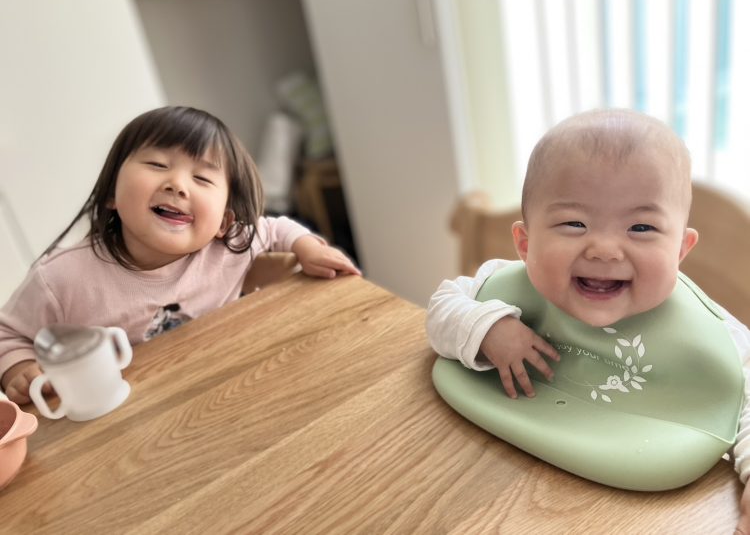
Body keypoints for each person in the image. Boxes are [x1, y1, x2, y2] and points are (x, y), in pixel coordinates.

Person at [426, 109, 750, 531]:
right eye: (574, 223)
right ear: (526, 244)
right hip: (481, 475)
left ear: (680, 251)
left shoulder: (716, 338)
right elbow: (442, 305)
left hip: (641, 509)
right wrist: (486, 328)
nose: (604, 249)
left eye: (641, 227)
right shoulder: (503, 285)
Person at [0, 105, 360, 404]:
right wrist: (19, 369)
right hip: (123, 419)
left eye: (202, 179)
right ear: (111, 194)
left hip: (224, 393)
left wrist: (307, 247)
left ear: (224, 221)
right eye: (157, 165)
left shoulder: (227, 245)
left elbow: (277, 228)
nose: (177, 184)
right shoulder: (62, 278)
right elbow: (8, 334)